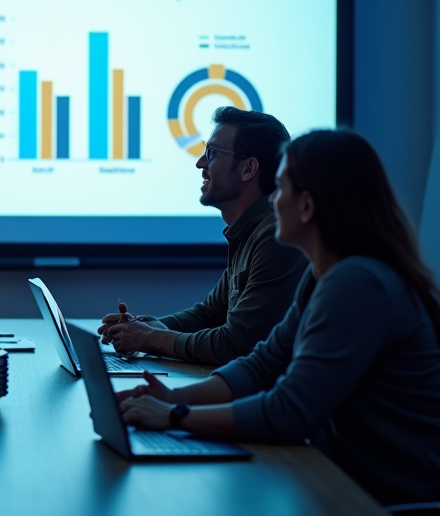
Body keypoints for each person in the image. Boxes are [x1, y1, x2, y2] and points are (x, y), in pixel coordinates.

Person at [116, 129, 440, 505]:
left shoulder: (357, 284)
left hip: (433, 514)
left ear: (307, 206)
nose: (272, 201)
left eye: (282, 189)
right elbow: (261, 366)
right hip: (377, 498)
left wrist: (176, 415)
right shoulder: (322, 277)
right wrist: (172, 397)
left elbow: (289, 411)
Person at [100, 107, 307, 365]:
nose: (200, 163)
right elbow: (209, 315)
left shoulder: (275, 238)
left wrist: (149, 338)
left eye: (212, 153)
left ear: (248, 169)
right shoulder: (250, 231)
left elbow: (236, 343)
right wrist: (142, 326)